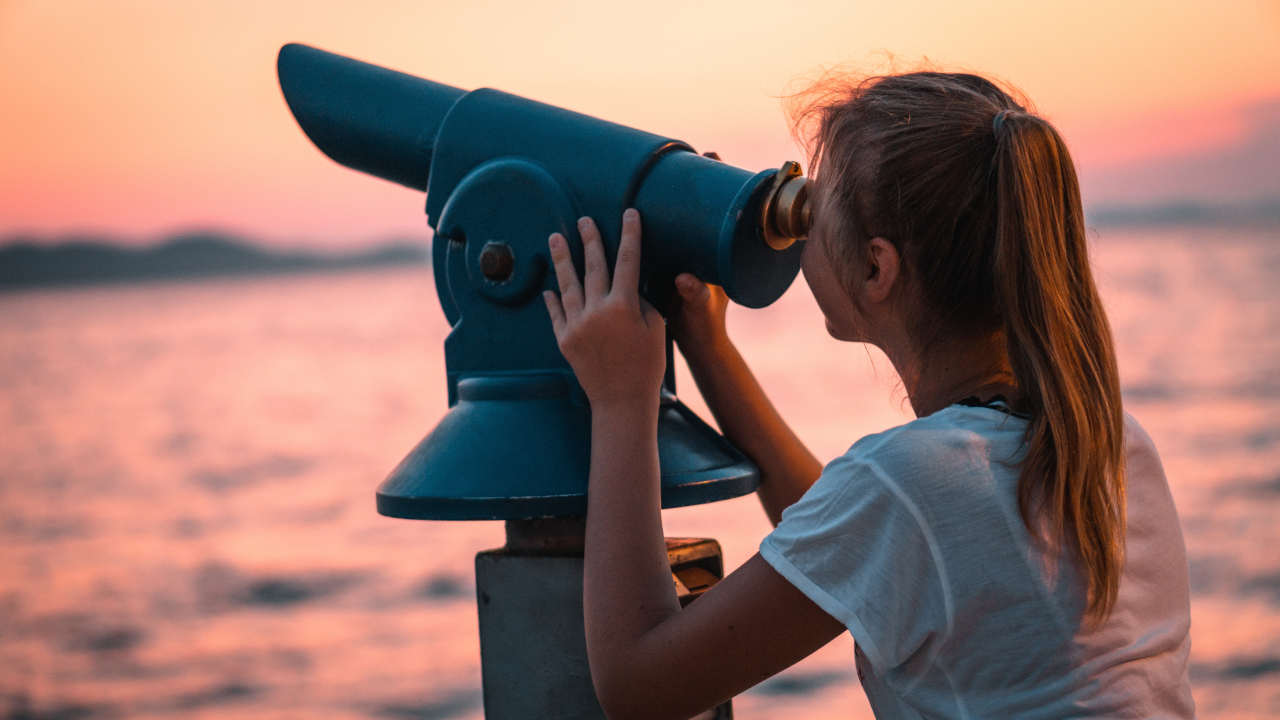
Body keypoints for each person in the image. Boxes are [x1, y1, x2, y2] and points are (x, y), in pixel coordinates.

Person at [541, 70, 1194, 719]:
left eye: (814, 214)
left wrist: (622, 399)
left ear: (877, 267)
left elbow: (638, 687)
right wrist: (709, 348)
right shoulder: (1108, 440)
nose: (800, 236)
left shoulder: (912, 484)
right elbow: (869, 546)